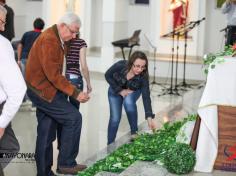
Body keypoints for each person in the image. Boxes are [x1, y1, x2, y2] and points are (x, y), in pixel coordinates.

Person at [25, 12, 90, 176]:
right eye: (73, 31)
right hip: (42, 91)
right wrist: (75, 93)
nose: (75, 35)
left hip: (47, 88)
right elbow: (53, 75)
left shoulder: (58, 37)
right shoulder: (49, 40)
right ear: (62, 26)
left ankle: (44, 172)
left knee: (46, 131)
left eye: (77, 32)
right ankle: (66, 164)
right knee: (74, 118)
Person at [105, 51, 157, 145]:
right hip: (115, 91)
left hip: (133, 91)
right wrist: (120, 91)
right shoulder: (120, 65)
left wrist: (149, 119)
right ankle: (110, 145)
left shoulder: (143, 77)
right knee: (115, 118)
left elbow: (146, 97)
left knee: (128, 101)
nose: (140, 69)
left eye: (142, 67)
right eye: (137, 66)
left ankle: (134, 132)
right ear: (131, 63)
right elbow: (107, 75)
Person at [0, 5, 26, 175]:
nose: (3, 28)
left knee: (11, 146)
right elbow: (18, 89)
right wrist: (2, 123)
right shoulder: (2, 44)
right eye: (1, 22)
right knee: (10, 146)